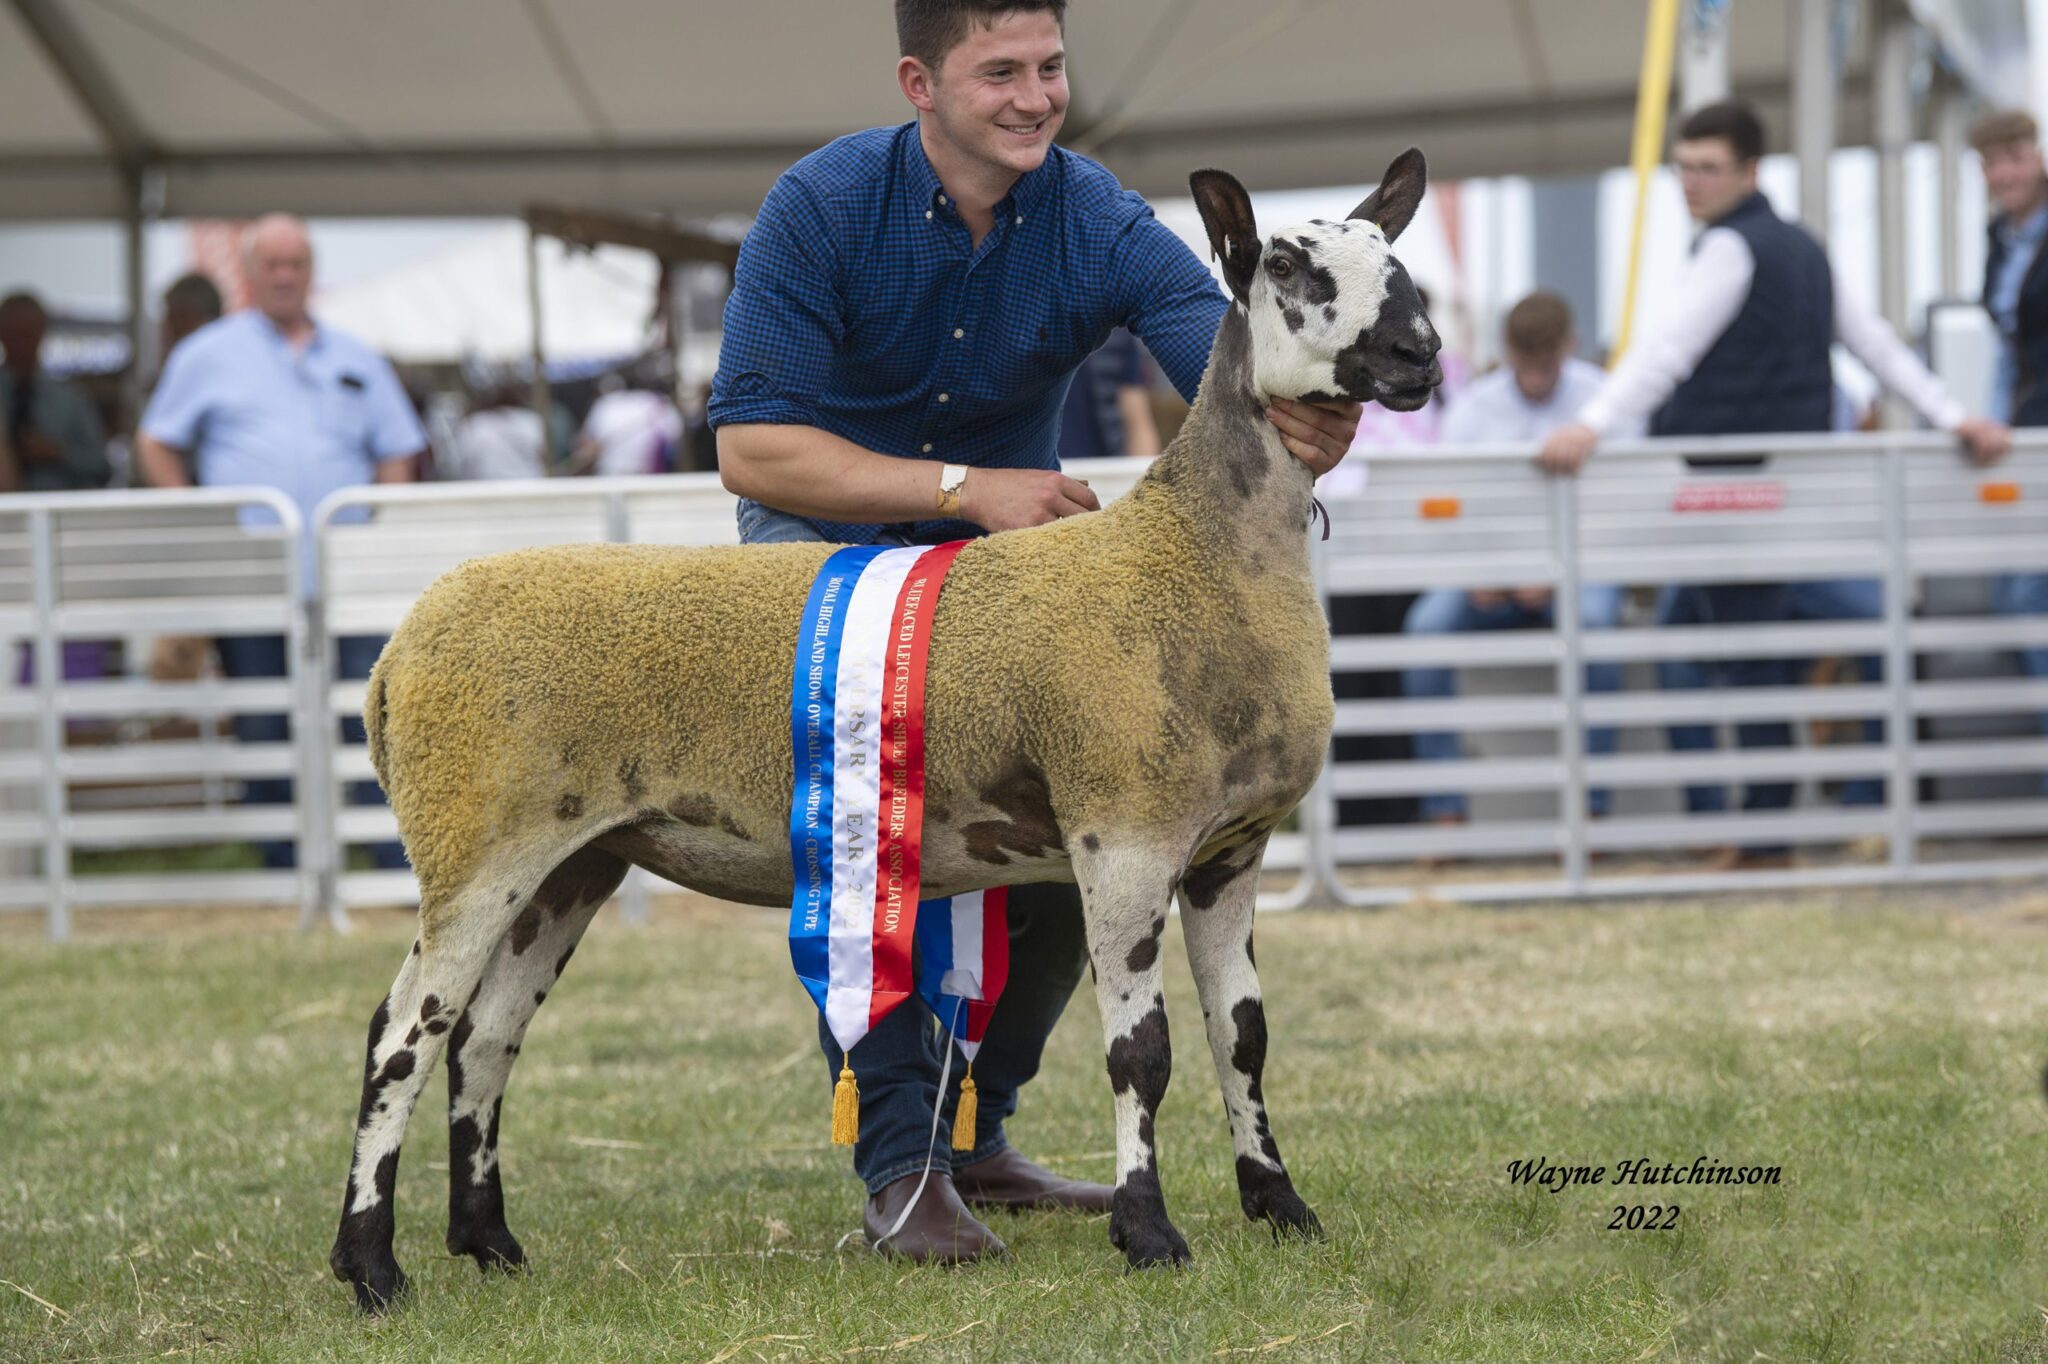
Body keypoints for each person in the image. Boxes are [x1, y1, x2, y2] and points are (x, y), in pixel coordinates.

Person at [709, 0, 1362, 1263]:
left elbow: (1214, 344)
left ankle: (974, 1136)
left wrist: (1301, 401)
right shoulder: (819, 203)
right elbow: (752, 446)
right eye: (996, 70)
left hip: (1007, 574)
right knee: (879, 828)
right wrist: (966, 488)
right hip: (825, 561)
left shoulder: (1095, 211)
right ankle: (900, 1168)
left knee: (1101, 840)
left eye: (1049, 66)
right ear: (919, 81)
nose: (1032, 96)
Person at [1536, 100, 2009, 865]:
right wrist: (1953, 416)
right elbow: (1877, 347)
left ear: (1750, 171)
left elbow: (1668, 351)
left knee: (1738, 654)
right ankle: (1764, 822)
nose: (1692, 183)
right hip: (1784, 500)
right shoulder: (1804, 250)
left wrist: (1589, 424)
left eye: (1708, 167)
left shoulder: (1727, 249)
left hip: (1732, 499)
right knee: (1739, 645)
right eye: (1683, 167)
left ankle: (1763, 829)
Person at [135, 215, 424, 872]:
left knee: (369, 719)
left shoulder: (355, 355)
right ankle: (282, 863)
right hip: (252, 576)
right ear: (249, 272)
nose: (285, 276)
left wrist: (378, 528)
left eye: (296, 264)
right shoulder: (206, 354)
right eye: (272, 264)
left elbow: (398, 450)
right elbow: (156, 441)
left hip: (345, 575)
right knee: (263, 718)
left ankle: (385, 862)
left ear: (311, 271)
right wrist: (198, 515)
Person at [1405, 291, 1639, 830]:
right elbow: (1446, 510)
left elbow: (1623, 509)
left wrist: (1560, 575)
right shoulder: (1473, 409)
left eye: (1546, 366)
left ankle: (1592, 808)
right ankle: (1445, 810)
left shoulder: (1603, 400)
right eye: (1526, 366)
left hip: (1578, 573)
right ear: (1508, 351)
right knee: (1425, 631)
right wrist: (1475, 573)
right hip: (1490, 577)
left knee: (1599, 626)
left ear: (1569, 348)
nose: (1535, 379)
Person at [1974, 108, 2048, 790]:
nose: (2004, 173)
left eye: (2015, 157)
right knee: (2017, 595)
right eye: (1992, 162)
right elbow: (2006, 350)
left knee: (2025, 593)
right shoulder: (2001, 237)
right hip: (2023, 435)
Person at [0, 292, 110, 494]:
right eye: (14, 333)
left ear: (42, 333)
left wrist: (58, 452)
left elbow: (102, 467)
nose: (21, 343)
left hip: (61, 515)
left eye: (28, 333)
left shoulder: (71, 400)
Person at [1056, 328, 1160, 460]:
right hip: (1037, 470)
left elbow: (1137, 419)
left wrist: (1145, 474)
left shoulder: (1118, 335)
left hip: (1103, 467)